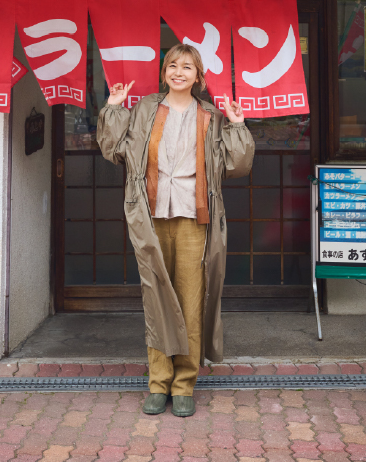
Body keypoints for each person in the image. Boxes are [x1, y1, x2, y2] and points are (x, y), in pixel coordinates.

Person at [97, 43, 254, 417]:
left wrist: (236, 124)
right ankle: (158, 382)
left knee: (190, 300)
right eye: (172, 65)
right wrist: (115, 108)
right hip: (151, 217)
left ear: (198, 77)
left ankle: (184, 384)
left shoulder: (212, 116)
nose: (179, 72)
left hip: (194, 217)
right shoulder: (146, 109)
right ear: (164, 72)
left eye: (187, 67)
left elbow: (238, 165)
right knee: (156, 299)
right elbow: (115, 150)